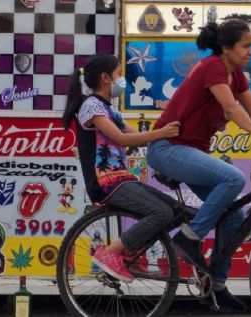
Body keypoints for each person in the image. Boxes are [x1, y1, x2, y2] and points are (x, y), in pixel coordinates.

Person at [147, 19, 251, 312]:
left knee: (233, 215)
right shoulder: (212, 66)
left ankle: (217, 285)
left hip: (187, 151)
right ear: (226, 48)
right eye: (245, 46)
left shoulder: (235, 74)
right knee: (234, 179)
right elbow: (232, 108)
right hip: (168, 149)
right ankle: (188, 239)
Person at [62, 54, 181, 283]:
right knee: (162, 212)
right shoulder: (91, 106)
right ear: (106, 78)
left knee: (174, 211)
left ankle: (127, 254)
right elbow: (122, 138)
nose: (122, 79)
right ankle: (111, 253)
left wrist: (172, 141)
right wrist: (162, 132)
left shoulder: (111, 110)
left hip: (122, 179)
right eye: (119, 74)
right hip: (105, 181)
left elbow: (138, 137)